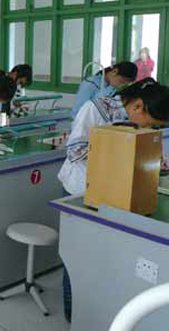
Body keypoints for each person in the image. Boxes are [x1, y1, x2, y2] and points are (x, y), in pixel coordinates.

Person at [58, 78, 169, 323]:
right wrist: (119, 148)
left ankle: (98, 312)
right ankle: (72, 312)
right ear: (138, 106)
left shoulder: (138, 120)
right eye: (150, 122)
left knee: (101, 255)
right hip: (81, 189)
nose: (149, 127)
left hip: (116, 192)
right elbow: (74, 151)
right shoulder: (95, 109)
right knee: (76, 254)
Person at [72, 62, 137, 118]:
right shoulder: (90, 83)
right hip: (83, 121)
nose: (120, 85)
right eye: (121, 81)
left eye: (124, 84)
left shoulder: (111, 86)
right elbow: (78, 109)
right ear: (114, 71)